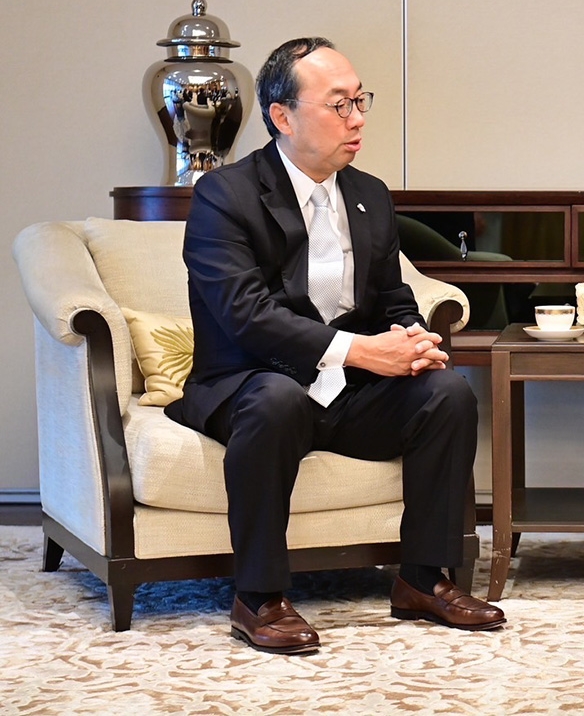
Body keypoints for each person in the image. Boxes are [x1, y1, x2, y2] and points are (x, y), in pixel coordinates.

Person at [166, 37, 506, 654]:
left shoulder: (369, 194)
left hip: (343, 394)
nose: (357, 119)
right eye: (339, 104)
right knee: (276, 399)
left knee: (447, 394)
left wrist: (412, 339)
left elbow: (392, 295)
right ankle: (259, 598)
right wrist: (360, 352)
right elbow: (246, 316)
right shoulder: (225, 196)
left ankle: (423, 579)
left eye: (360, 101)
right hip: (249, 384)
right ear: (282, 116)